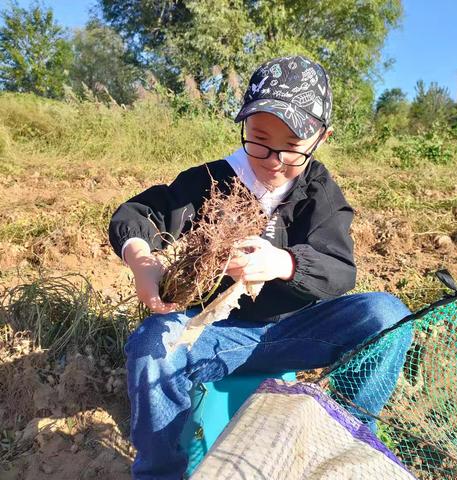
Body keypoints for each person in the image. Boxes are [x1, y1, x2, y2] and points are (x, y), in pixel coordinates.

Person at [109, 55, 413, 480]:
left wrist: (284, 263)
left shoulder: (319, 193)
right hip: (217, 333)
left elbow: (340, 269)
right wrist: (141, 258)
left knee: (387, 316)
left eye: (292, 146)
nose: (273, 159)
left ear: (320, 138)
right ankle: (162, 471)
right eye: (259, 140)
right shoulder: (209, 182)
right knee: (150, 347)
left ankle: (346, 435)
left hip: (297, 331)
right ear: (244, 128)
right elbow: (138, 213)